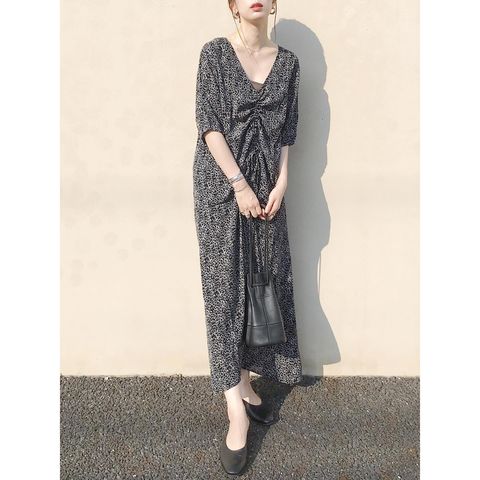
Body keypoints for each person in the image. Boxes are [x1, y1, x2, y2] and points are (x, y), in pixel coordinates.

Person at [192, 0, 303, 474]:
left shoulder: (289, 64)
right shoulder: (215, 54)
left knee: (262, 283)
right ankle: (235, 408)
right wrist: (239, 185)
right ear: (233, 6)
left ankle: (245, 381)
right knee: (225, 291)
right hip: (223, 187)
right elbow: (209, 125)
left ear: (273, 4)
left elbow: (287, 134)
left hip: (268, 189)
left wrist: (282, 182)